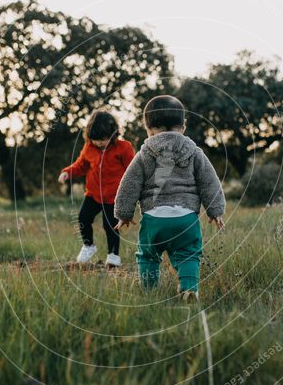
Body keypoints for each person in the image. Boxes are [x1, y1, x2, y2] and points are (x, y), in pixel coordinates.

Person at [114, 95, 225, 300]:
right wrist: (215, 210)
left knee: (148, 255)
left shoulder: (145, 153)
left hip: (154, 218)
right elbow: (209, 181)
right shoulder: (194, 151)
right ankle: (189, 288)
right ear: (182, 127)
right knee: (189, 253)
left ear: (148, 128)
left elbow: (129, 183)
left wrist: (124, 213)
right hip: (186, 218)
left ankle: (149, 292)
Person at [58, 109, 135, 267]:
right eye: (95, 139)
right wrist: (67, 172)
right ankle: (88, 246)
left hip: (113, 196)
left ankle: (113, 255)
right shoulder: (89, 148)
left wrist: (132, 194)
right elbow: (81, 165)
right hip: (93, 194)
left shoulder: (124, 148)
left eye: (103, 139)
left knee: (110, 226)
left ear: (113, 135)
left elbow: (132, 171)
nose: (99, 143)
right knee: (83, 219)